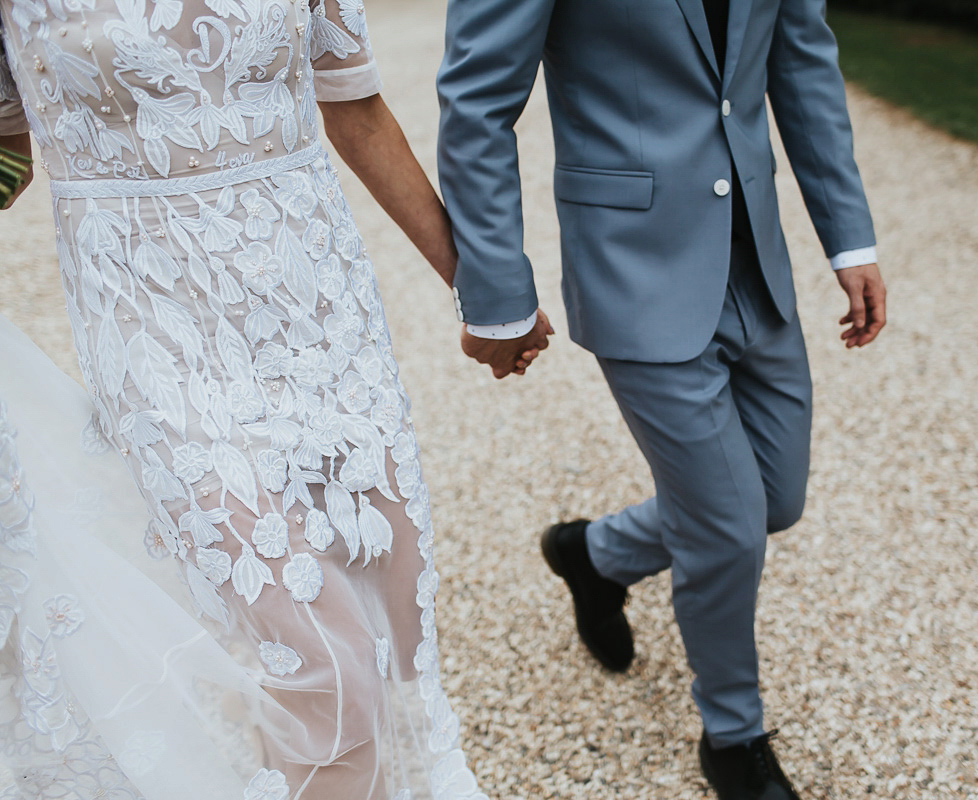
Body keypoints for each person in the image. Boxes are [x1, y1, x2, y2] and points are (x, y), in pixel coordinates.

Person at [0, 1, 525, 797]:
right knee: (323, 657)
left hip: (320, 311)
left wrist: (478, 288)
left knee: (394, 629)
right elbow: (10, 152)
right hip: (155, 336)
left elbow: (356, 107)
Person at [437, 0, 887, 797]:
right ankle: (732, 735)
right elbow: (477, 103)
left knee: (775, 500)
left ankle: (595, 554)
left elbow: (804, 62)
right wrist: (497, 294)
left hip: (756, 261)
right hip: (634, 267)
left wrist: (849, 237)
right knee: (727, 528)